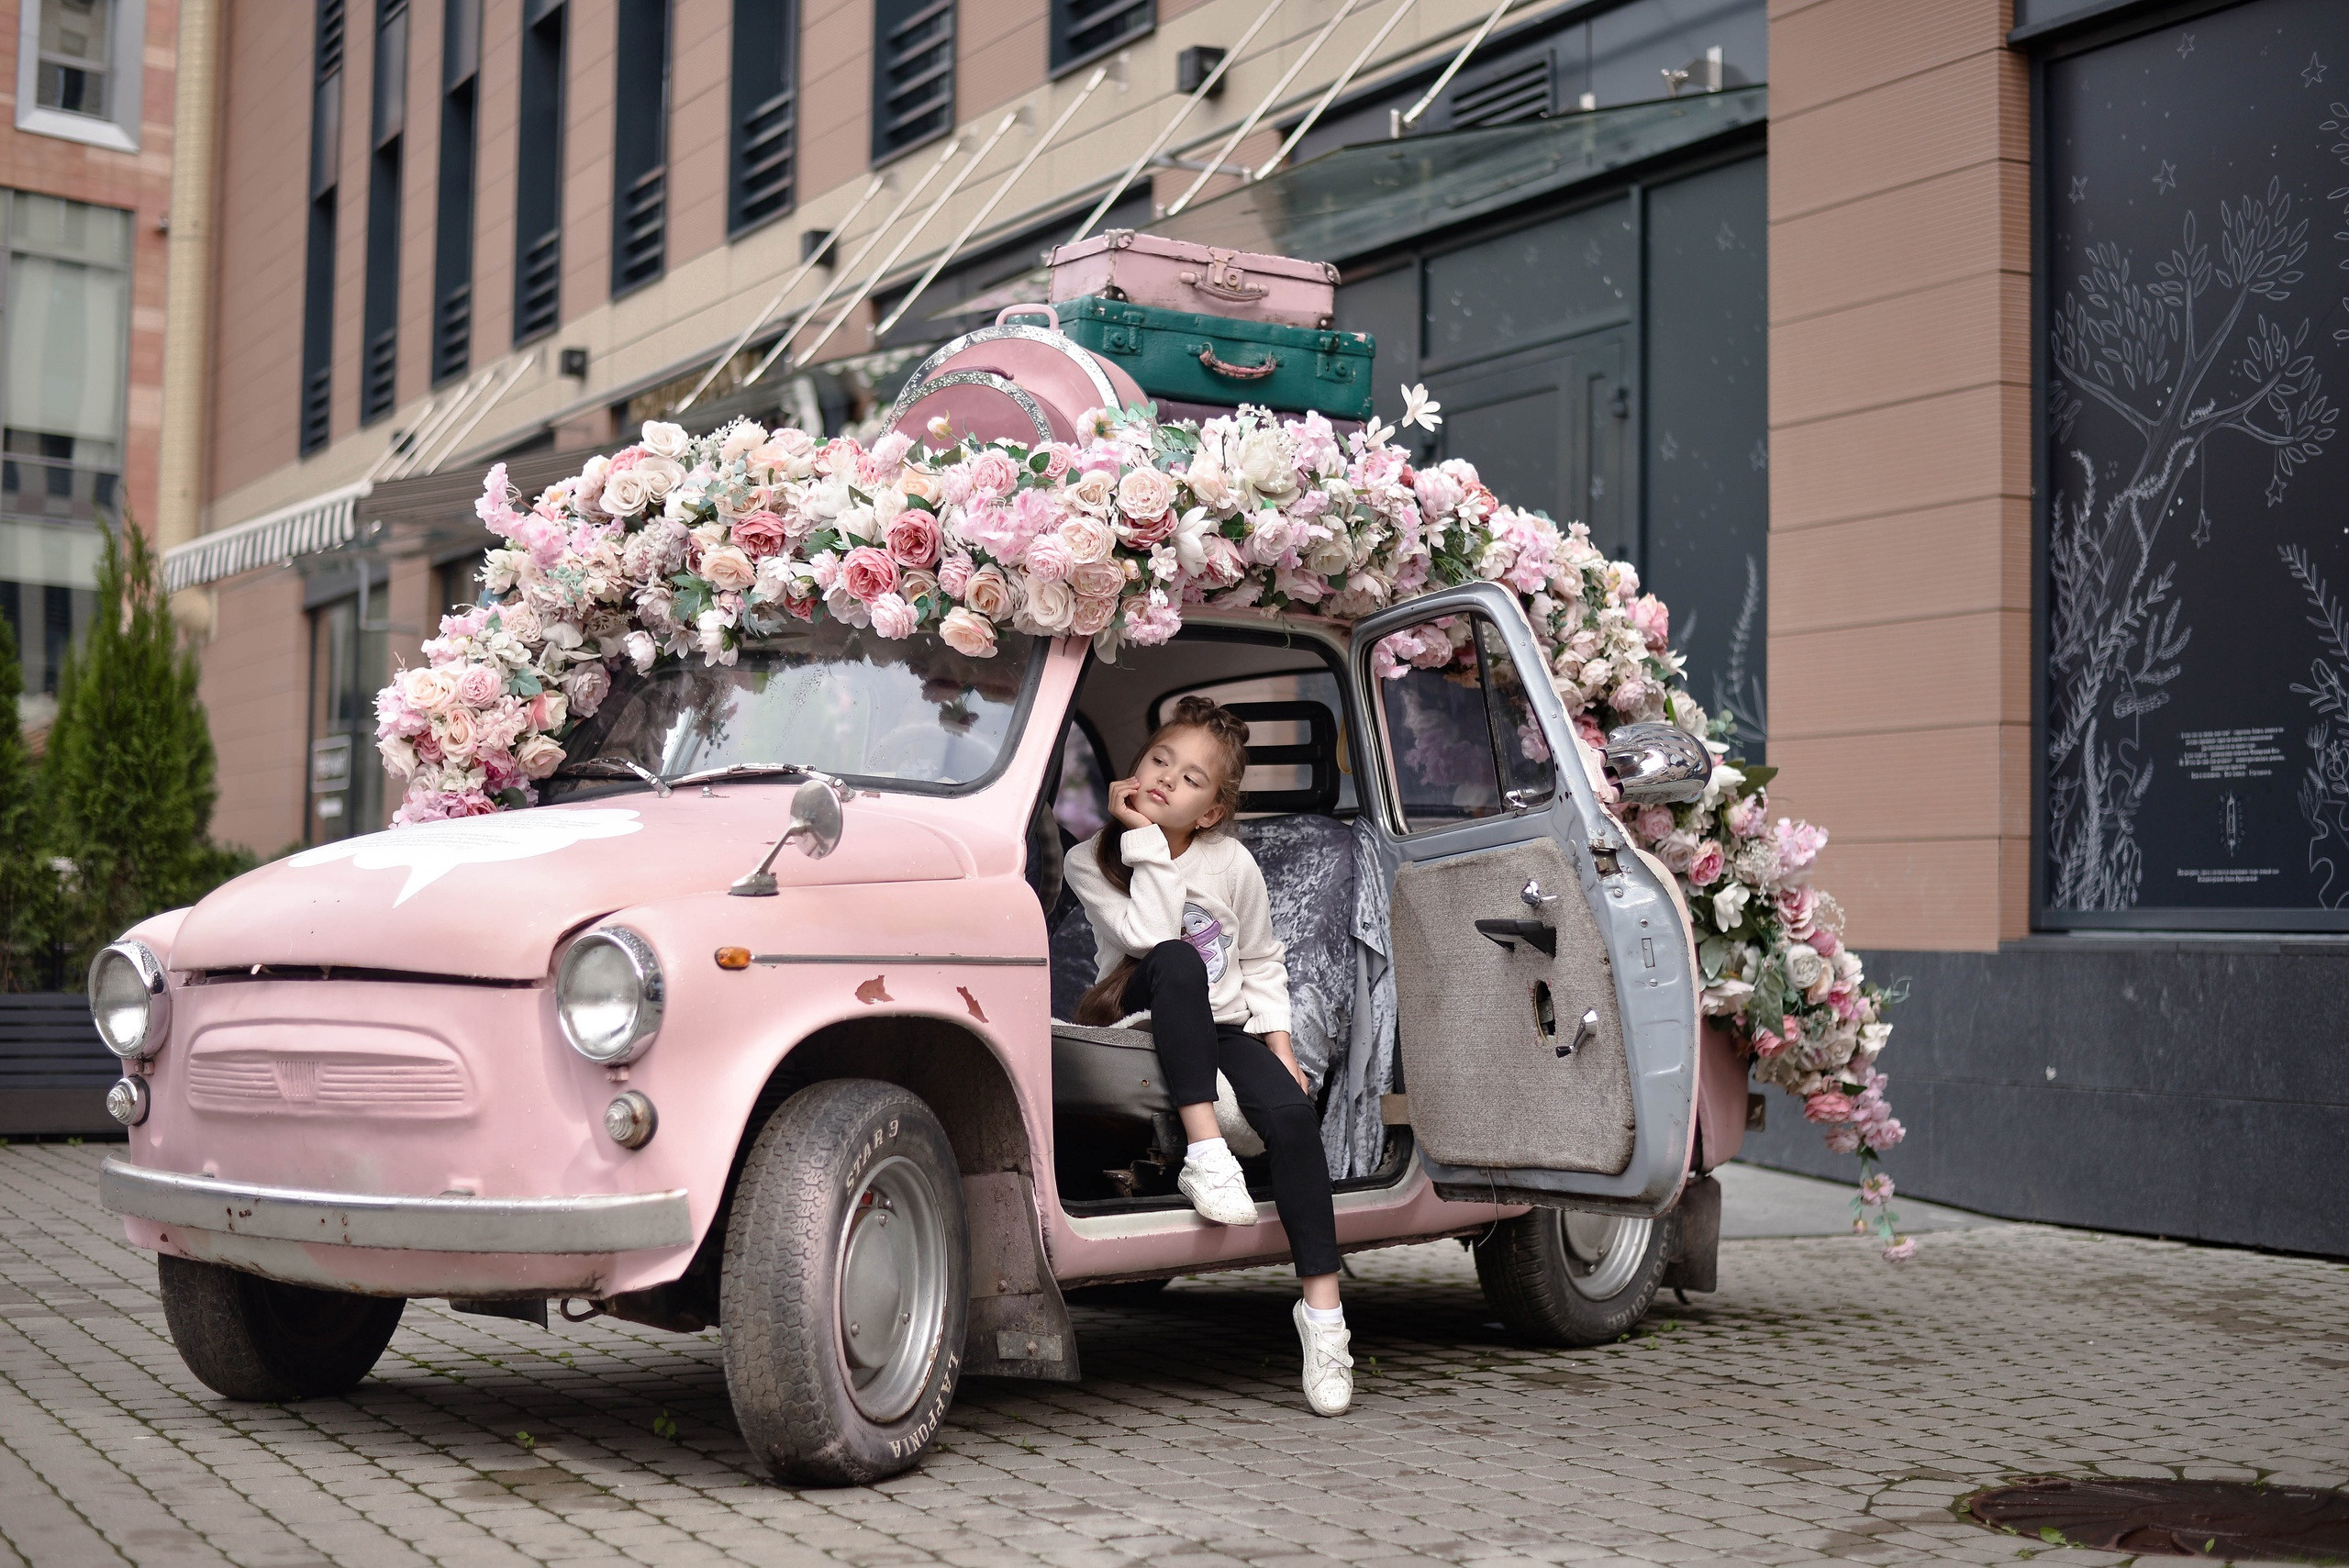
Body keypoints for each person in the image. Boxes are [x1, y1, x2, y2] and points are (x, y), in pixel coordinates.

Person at [1062, 696, 1353, 1417]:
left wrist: (1282, 1051)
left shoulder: (1232, 863)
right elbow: (1152, 935)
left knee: (1291, 1117)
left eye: (1191, 779)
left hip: (1220, 1025)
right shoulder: (1089, 857)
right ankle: (1206, 1152)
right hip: (1139, 1010)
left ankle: (1324, 1319)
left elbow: (1261, 960)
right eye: (1160, 759)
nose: (1166, 780)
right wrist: (1141, 836)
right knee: (1178, 961)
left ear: (1214, 810)